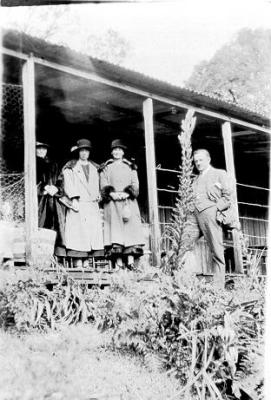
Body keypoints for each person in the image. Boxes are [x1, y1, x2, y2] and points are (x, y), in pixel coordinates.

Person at [182, 149, 232, 286]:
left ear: (208, 160)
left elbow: (228, 197)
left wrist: (216, 209)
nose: (198, 163)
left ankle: (218, 288)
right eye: (196, 161)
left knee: (217, 251)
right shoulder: (195, 180)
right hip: (193, 217)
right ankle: (182, 282)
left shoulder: (219, 174)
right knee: (182, 245)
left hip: (210, 215)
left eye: (200, 160)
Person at [100, 139, 144, 269]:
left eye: (119, 149)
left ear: (123, 152)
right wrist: (111, 194)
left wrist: (127, 193)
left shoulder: (131, 167)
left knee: (129, 231)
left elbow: (135, 184)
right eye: (114, 150)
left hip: (127, 203)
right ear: (112, 152)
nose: (117, 152)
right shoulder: (106, 167)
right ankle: (118, 263)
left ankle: (130, 262)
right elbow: (103, 183)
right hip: (112, 205)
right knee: (115, 232)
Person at [62, 138, 103, 268]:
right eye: (82, 151)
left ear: (89, 153)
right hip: (78, 204)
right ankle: (77, 262)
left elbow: (102, 184)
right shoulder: (71, 167)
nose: (84, 153)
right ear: (78, 152)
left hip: (91, 205)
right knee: (78, 234)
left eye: (87, 151)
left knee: (90, 235)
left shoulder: (95, 168)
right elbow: (67, 183)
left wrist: (100, 195)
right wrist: (73, 198)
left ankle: (86, 262)